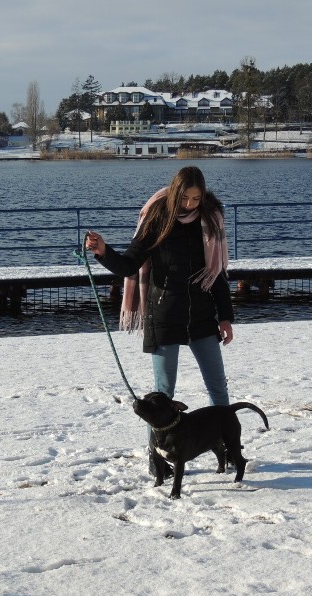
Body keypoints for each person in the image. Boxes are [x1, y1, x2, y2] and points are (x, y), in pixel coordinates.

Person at [85, 166, 234, 476]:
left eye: (197, 198)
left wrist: (226, 317)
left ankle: (230, 448)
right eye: (186, 198)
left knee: (218, 390)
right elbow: (129, 264)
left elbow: (217, 274)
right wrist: (102, 252)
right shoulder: (158, 219)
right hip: (165, 314)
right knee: (161, 396)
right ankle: (157, 460)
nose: (191, 204)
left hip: (203, 316)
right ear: (175, 192)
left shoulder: (211, 219)